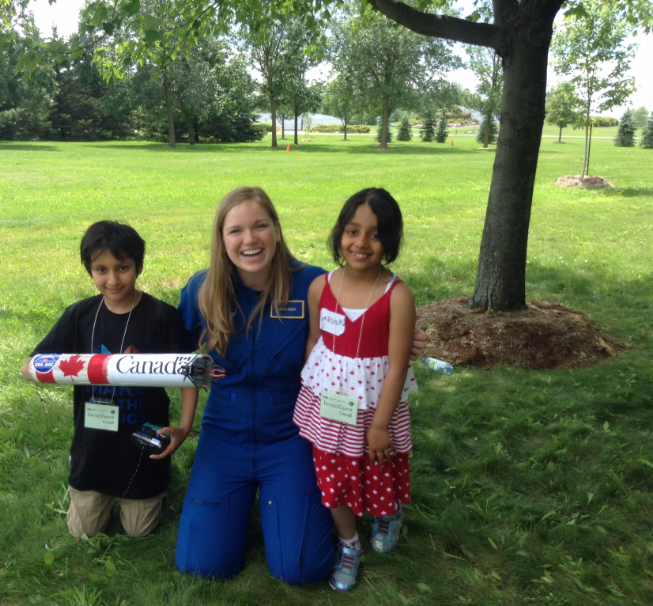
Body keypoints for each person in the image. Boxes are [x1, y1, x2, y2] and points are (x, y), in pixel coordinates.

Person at [174, 187, 426, 584]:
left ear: (277, 229)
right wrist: (182, 423)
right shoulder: (201, 289)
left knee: (301, 568)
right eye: (235, 230)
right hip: (224, 430)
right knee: (203, 565)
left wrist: (401, 338)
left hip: (290, 431)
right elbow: (175, 349)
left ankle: (299, 509)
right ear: (221, 238)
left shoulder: (313, 284)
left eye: (260, 226)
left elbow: (358, 322)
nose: (250, 239)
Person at [22, 220, 198, 539]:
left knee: (139, 531)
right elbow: (33, 364)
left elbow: (188, 373)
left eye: (123, 268)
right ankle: (94, 492)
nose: (113, 279)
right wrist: (48, 370)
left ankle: (150, 490)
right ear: (89, 270)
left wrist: (184, 428)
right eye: (101, 270)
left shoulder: (161, 316)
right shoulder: (79, 316)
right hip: (94, 444)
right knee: (84, 532)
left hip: (142, 443)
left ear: (138, 266)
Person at [293, 187, 417, 592]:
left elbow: (398, 365)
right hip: (329, 407)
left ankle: (388, 513)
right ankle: (349, 545)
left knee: (378, 465)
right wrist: (312, 394)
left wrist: (380, 425)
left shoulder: (397, 296)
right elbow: (315, 341)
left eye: (375, 234)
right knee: (332, 475)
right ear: (339, 234)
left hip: (375, 407)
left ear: (390, 241)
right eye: (352, 231)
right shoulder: (320, 287)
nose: (361, 242)